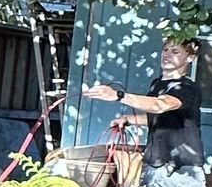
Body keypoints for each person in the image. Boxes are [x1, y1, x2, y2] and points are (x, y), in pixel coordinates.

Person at [86, 39, 203, 176]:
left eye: (175, 52)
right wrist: (129, 119)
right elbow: (160, 118)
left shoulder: (186, 88)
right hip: (154, 163)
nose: (167, 55)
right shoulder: (157, 84)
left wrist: (119, 96)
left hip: (181, 168)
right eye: (165, 50)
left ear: (191, 58)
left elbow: (159, 105)